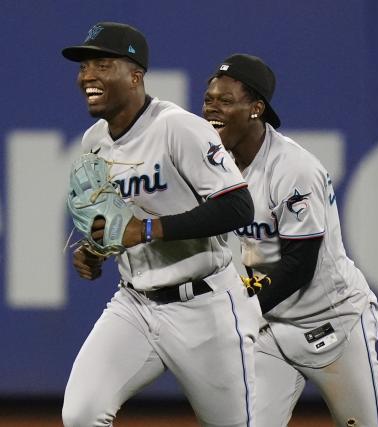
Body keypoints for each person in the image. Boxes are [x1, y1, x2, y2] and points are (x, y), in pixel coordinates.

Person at [60, 22, 261, 427]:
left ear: (135, 75)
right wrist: (95, 250)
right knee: (80, 415)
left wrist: (147, 230)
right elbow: (117, 223)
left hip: (205, 306)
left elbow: (239, 207)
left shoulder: (177, 127)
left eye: (101, 64)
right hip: (134, 304)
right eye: (83, 66)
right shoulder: (93, 141)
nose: (87, 76)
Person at [202, 53, 378, 426]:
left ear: (256, 109)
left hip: (334, 322)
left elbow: (300, 265)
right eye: (208, 99)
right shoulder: (213, 165)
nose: (212, 109)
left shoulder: (292, 169)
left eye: (225, 101)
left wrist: (242, 311)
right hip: (272, 328)